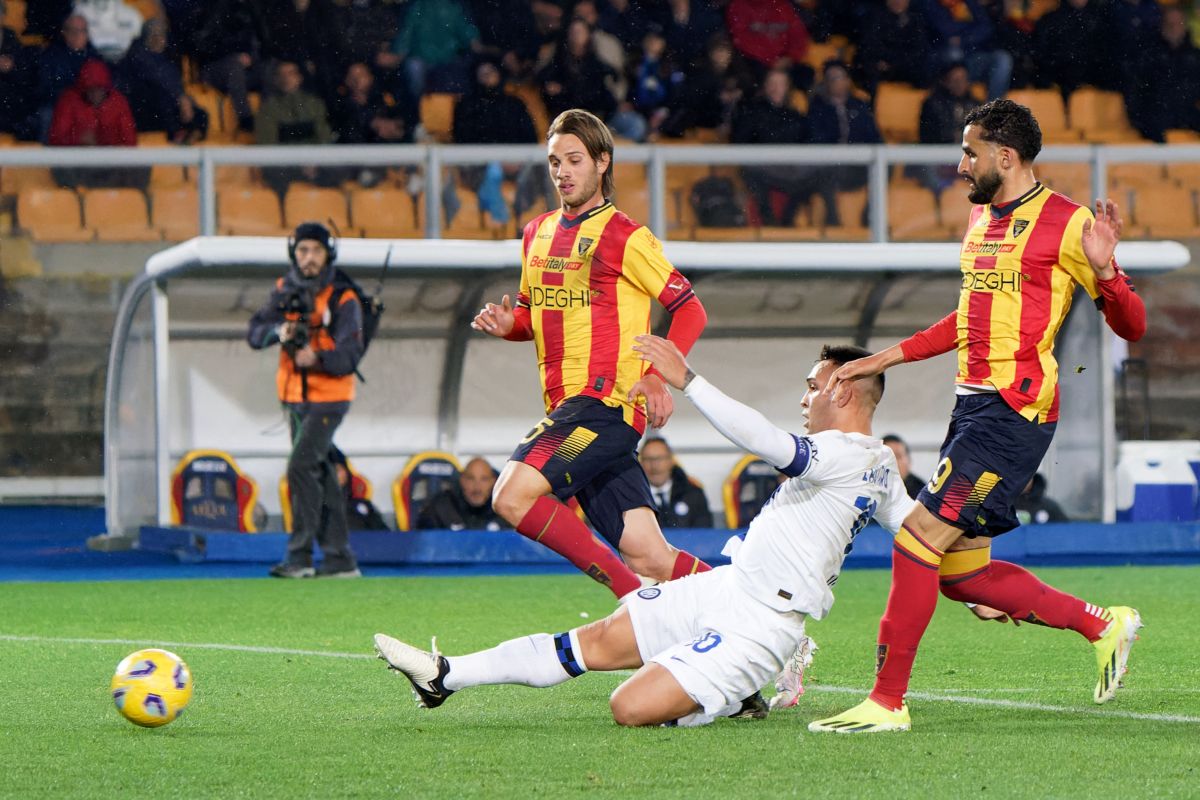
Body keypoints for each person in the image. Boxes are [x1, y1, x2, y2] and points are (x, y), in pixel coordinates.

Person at [811, 98, 1147, 734]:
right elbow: (964, 321)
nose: (959, 164)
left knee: (916, 538)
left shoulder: (1069, 225)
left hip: (1014, 415)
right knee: (963, 576)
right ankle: (1103, 624)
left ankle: (886, 701)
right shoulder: (980, 219)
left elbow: (1134, 324)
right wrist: (877, 359)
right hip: (971, 409)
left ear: (1006, 156)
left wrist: (1106, 274)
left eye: (969, 152)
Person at [373, 340, 910, 727]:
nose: (804, 399)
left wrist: (689, 380)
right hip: (727, 587)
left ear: (843, 393)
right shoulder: (880, 463)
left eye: (812, 387)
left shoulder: (838, 453)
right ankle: (446, 676)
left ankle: (736, 687)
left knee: (628, 707)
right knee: (598, 638)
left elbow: (764, 439)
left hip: (763, 625)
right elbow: (919, 528)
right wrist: (975, 582)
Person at [469, 108, 711, 602]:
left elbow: (689, 310)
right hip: (571, 411)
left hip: (605, 404)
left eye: (574, 160)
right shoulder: (535, 233)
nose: (562, 172)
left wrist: (658, 378)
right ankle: (760, 615)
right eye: (555, 161)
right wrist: (508, 325)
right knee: (649, 556)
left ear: (602, 163)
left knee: (511, 496)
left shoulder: (624, 234)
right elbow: (530, 316)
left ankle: (634, 604)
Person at [247, 222, 364, 579]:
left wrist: (318, 357)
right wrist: (276, 333)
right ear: (293, 254)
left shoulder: (343, 297)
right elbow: (254, 333)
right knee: (321, 472)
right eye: (302, 251)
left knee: (300, 466)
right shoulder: (284, 289)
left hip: (329, 399)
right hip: (293, 398)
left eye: (315, 250)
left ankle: (299, 556)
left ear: (328, 252)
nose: (308, 258)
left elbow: (350, 355)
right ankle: (339, 559)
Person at [48, 58, 143, 190]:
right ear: (83, 88)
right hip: (79, 163)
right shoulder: (68, 101)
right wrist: (79, 141)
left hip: (111, 164)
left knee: (142, 166)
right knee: (60, 167)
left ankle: (104, 195)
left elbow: (130, 142)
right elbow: (56, 139)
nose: (95, 94)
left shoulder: (118, 102)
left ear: (106, 88)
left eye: (99, 89)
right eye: (90, 89)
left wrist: (106, 144)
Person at [117, 18, 208, 143]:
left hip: (170, 106)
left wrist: (184, 98)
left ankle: (189, 137)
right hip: (144, 112)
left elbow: (175, 83)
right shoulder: (137, 54)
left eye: (161, 34)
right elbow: (156, 79)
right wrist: (180, 98)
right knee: (162, 97)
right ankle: (178, 134)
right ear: (147, 36)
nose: (159, 38)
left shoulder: (167, 57)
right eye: (155, 34)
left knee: (201, 113)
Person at [416, 457, 509, 531]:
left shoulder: (507, 509)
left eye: (484, 479)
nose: (477, 488)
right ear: (462, 480)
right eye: (470, 479)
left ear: (493, 481)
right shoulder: (440, 508)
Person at [639, 437, 713, 529]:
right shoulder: (632, 496)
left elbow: (704, 534)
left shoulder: (693, 494)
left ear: (671, 461)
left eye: (660, 458)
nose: (654, 466)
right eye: (648, 459)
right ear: (640, 463)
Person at [330, 448, 389, 531]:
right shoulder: (313, 509)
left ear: (346, 472)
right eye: (329, 471)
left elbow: (386, 536)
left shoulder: (364, 506)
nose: (333, 475)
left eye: (337, 469)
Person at [882, 434, 926, 500]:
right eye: (887, 457)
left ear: (909, 461)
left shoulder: (921, 493)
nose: (892, 462)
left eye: (898, 456)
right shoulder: (868, 488)